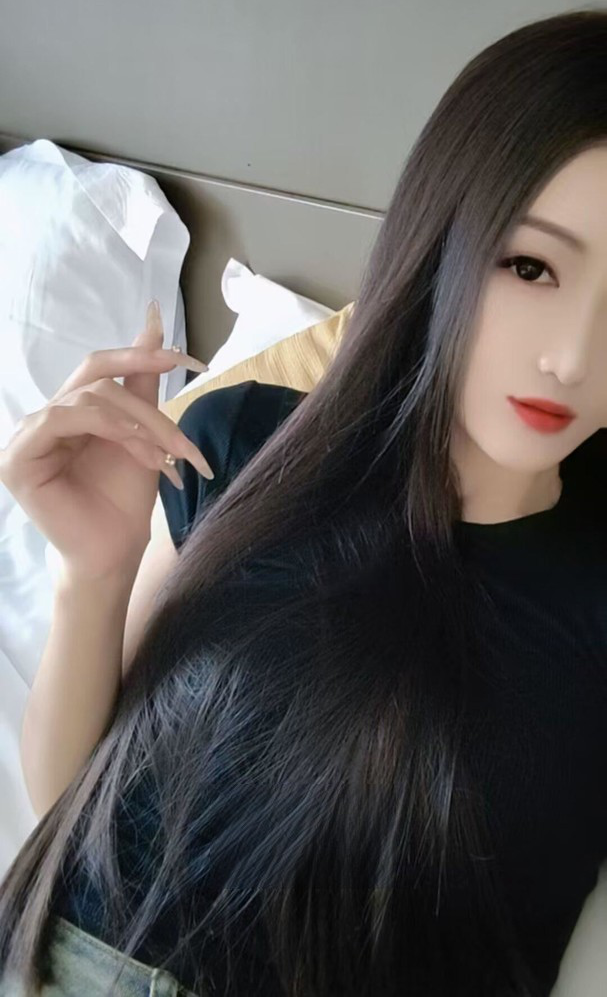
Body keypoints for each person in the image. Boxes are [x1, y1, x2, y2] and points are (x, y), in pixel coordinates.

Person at [1, 9, 607, 996]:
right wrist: (91, 577)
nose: (573, 357)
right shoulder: (244, 441)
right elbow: (74, 807)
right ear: (444, 243)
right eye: (529, 266)